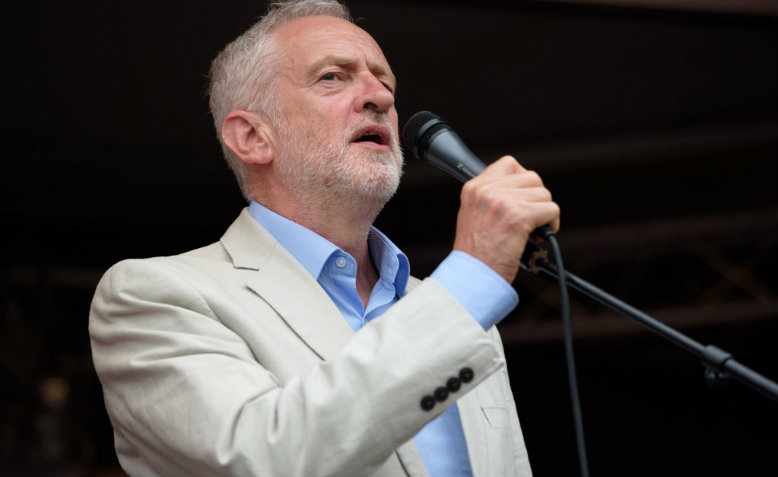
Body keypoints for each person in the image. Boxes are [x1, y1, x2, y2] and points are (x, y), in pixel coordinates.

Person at [89, 1, 560, 476]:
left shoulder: (450, 308)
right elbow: (267, 458)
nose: (379, 96)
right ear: (252, 137)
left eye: (385, 81)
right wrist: (472, 276)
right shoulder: (156, 297)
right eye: (333, 77)